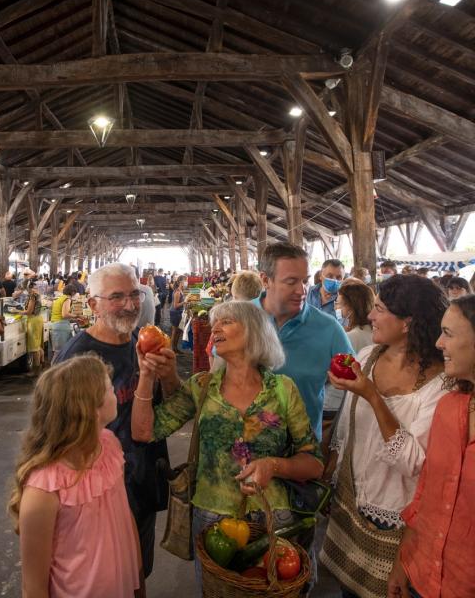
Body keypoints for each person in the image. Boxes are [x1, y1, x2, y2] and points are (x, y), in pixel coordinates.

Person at [132, 301, 323, 584]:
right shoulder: (202, 386)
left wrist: (273, 465)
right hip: (212, 520)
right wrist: (147, 375)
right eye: (215, 322)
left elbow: (314, 463)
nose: (215, 328)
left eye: (227, 321)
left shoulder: (283, 390)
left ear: (255, 332)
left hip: (276, 521)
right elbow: (144, 431)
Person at [321, 275, 447, 598]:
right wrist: (330, 466)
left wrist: (372, 396)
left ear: (407, 322)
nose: (371, 316)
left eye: (379, 309)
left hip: (397, 525)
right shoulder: (367, 359)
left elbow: (415, 464)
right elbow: (348, 432)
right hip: (352, 506)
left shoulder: (439, 386)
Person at [54, 263, 179, 579]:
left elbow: (170, 405)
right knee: (107, 577)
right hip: (98, 493)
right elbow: (59, 437)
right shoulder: (77, 360)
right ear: (93, 304)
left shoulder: (143, 340)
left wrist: (170, 377)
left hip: (143, 480)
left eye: (134, 294)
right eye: (117, 297)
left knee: (139, 571)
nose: (129, 304)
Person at [9, 355, 142, 597]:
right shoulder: (43, 490)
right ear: (89, 409)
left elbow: (124, 516)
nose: (116, 394)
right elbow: (33, 587)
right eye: (110, 389)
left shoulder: (110, 447)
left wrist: (138, 575)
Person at [388, 295, 475, 598]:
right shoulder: (450, 406)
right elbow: (426, 493)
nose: (438, 343)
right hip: (423, 575)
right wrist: (403, 561)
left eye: (448, 334)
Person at [259, 243, 354, 440]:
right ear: (265, 280)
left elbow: (353, 378)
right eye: (291, 281)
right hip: (241, 450)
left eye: (304, 281)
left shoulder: (329, 329)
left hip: (302, 452)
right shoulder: (238, 320)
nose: (302, 291)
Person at [335, 280, 375, 353]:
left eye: (338, 303)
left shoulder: (350, 337)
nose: (335, 308)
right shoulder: (374, 332)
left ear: (351, 308)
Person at [49, 283, 79, 356]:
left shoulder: (60, 298)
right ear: (72, 292)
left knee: (59, 352)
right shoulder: (67, 299)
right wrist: (77, 316)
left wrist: (75, 320)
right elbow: (65, 315)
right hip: (61, 327)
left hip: (56, 325)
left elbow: (62, 315)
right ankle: (55, 367)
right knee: (59, 353)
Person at [23, 280, 44, 373]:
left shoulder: (32, 296)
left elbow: (29, 311)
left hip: (33, 321)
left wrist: (16, 311)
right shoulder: (37, 294)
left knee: (34, 348)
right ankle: (41, 364)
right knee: (38, 345)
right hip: (38, 319)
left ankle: (36, 371)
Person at [169, 275, 187, 353]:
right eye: (185, 280)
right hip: (175, 313)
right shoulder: (177, 292)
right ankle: (172, 349)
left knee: (178, 332)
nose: (186, 282)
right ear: (181, 282)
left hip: (178, 313)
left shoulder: (180, 290)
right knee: (174, 332)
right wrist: (184, 302)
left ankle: (175, 348)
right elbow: (175, 305)